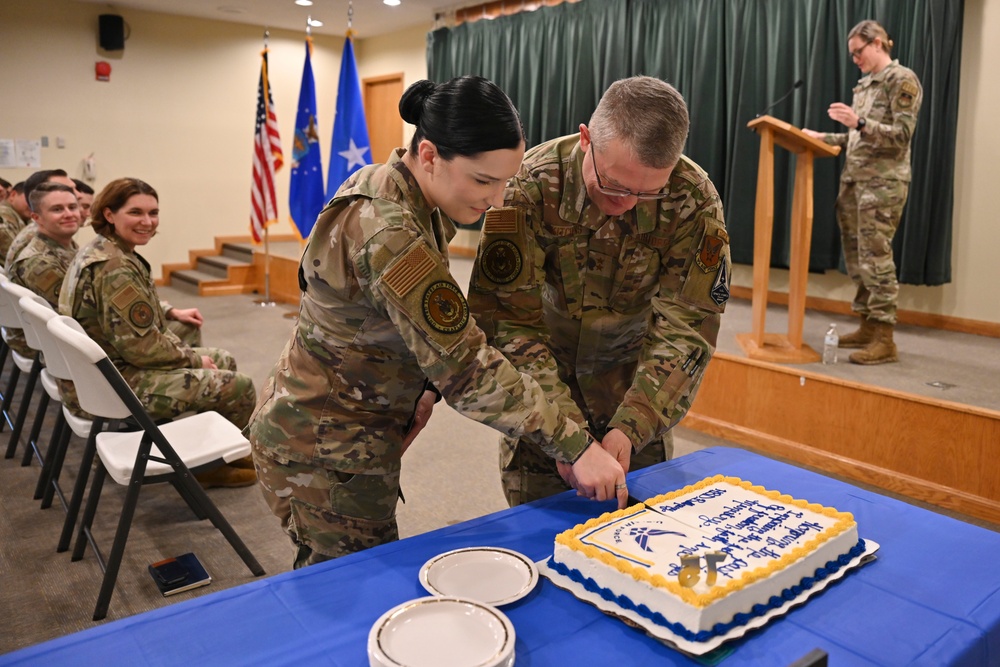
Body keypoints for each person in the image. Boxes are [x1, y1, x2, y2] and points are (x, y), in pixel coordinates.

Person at [249, 76, 628, 569]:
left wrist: (421, 392)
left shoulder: (402, 192)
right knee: (349, 601)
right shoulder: (389, 231)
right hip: (323, 448)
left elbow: (398, 325)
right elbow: (468, 368)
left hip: (350, 432)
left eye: (505, 182)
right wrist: (576, 445)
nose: (496, 201)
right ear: (429, 155)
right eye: (483, 181)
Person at [468, 76, 731, 506]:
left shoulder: (692, 198)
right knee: (542, 540)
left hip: (639, 387)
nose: (627, 202)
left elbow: (687, 327)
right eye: (613, 185)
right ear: (586, 139)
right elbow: (509, 321)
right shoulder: (530, 185)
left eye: (648, 194)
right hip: (543, 388)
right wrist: (566, 434)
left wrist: (634, 423)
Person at [59, 177, 257, 488]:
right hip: (114, 384)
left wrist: (185, 346)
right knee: (238, 386)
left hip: (102, 373)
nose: (148, 222)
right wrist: (192, 360)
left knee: (222, 358)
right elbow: (141, 348)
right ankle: (207, 470)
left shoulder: (104, 251)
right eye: (136, 212)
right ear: (109, 214)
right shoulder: (115, 267)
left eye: (153, 213)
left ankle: (216, 451)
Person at [803, 20, 922, 365]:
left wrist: (859, 123)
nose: (854, 59)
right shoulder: (864, 86)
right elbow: (858, 137)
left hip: (882, 186)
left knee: (876, 259)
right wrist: (822, 137)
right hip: (855, 183)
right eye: (852, 53)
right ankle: (868, 327)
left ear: (878, 43)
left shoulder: (902, 80)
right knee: (857, 260)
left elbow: (901, 135)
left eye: (858, 51)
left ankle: (885, 339)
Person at [6, 182, 81, 359]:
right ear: (37, 218)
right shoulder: (39, 262)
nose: (69, 214)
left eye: (72, 207)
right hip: (56, 347)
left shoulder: (64, 245)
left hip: (59, 339)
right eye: (57, 209)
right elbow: (75, 317)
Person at [0, 181, 30, 260]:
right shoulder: (3, 217)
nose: (36, 204)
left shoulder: (25, 217)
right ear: (13, 195)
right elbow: (17, 259)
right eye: (30, 198)